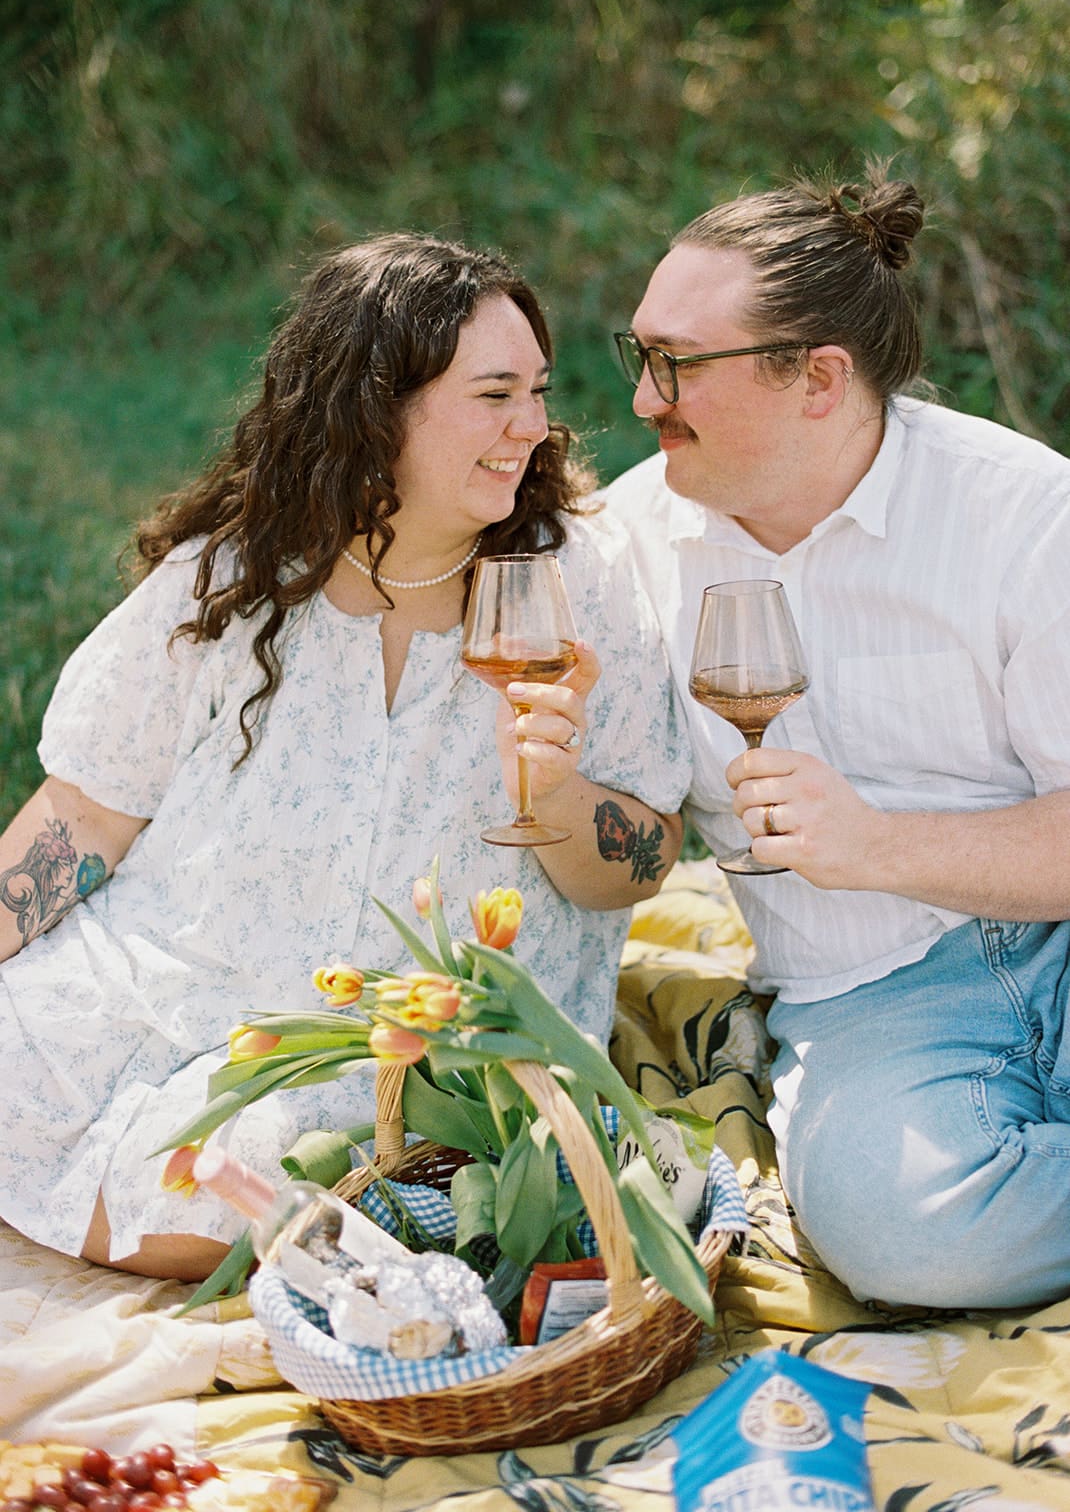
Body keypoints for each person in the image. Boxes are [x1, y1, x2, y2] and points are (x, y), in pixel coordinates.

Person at [0, 232, 688, 1282]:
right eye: (493, 394)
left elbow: (640, 866)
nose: (531, 428)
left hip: (404, 1045)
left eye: (537, 392)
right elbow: (85, 818)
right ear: (375, 404)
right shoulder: (233, 576)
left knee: (263, 1196)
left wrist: (552, 792)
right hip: (181, 971)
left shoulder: (573, 580)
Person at [603, 161, 1070, 1311]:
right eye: (638, 356)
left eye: (676, 366)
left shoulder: (1022, 515)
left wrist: (874, 846)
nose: (641, 400)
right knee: (902, 1234)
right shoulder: (621, 547)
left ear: (817, 378)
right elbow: (628, 836)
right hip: (870, 990)